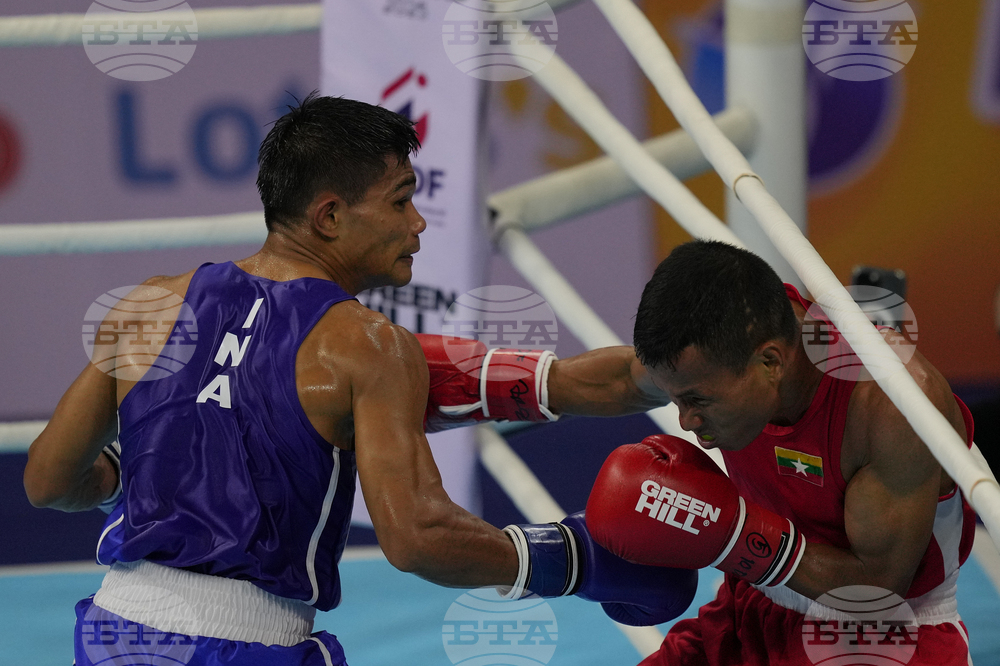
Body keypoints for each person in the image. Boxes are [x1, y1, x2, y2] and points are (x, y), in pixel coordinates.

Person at [22, 94, 696, 666]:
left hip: (114, 636)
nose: (418, 222)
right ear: (330, 216)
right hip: (245, 644)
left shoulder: (151, 304)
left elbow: (49, 481)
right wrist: (574, 559)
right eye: (402, 200)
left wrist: (136, 483)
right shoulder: (369, 348)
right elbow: (418, 537)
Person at [585, 240, 977, 665]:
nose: (685, 421)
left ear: (770, 363)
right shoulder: (727, 343)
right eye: (675, 399)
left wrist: (736, 536)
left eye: (697, 401)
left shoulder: (886, 403)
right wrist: (511, 385)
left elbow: (876, 587)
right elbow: (623, 379)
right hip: (751, 610)